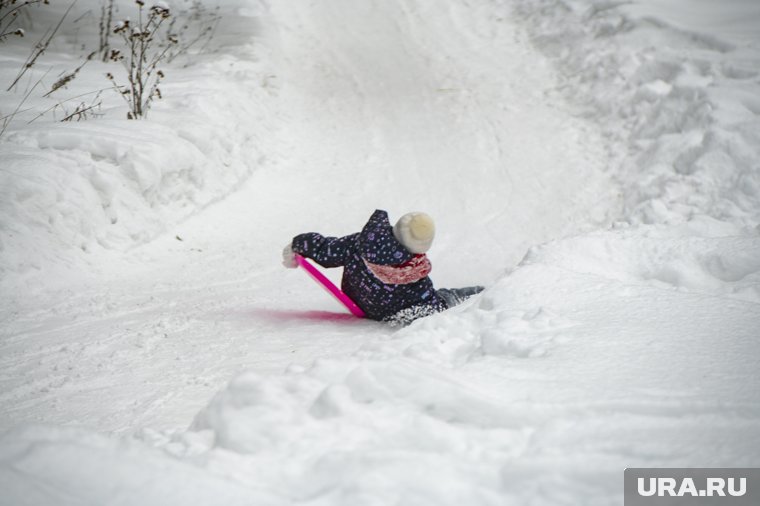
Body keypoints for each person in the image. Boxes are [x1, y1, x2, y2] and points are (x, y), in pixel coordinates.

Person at [282, 209, 483, 324]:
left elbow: (327, 250)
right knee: (443, 300)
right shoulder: (412, 273)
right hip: (389, 312)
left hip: (360, 299)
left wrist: (299, 244)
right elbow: (429, 302)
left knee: (427, 302)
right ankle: (484, 293)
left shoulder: (358, 243)